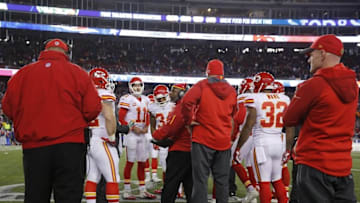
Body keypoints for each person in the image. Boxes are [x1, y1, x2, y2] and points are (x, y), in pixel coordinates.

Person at [1, 38, 102, 203]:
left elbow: (8, 108)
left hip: (34, 147)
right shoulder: (78, 73)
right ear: (66, 53)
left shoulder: (22, 74)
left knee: (36, 196)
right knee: (69, 196)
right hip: (70, 145)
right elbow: (92, 108)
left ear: (44, 51)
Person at [283, 34, 358, 203]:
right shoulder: (352, 84)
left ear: (323, 54)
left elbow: (288, 119)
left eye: (312, 54)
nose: (309, 59)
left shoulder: (312, 85)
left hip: (314, 164)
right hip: (343, 165)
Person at [181, 59, 237, 203]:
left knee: (200, 180)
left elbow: (186, 101)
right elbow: (235, 114)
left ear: (207, 72)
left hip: (202, 138)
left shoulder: (202, 85)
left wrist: (189, 120)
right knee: (222, 182)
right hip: (223, 140)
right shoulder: (231, 90)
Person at [234, 72, 291, 203]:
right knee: (277, 180)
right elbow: (289, 126)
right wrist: (288, 149)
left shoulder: (255, 98)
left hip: (262, 144)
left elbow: (248, 125)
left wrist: (238, 147)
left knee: (264, 182)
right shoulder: (284, 99)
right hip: (278, 143)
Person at [84, 67, 122, 203]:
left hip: (90, 139)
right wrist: (112, 137)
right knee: (113, 177)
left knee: (93, 176)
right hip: (102, 139)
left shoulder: (87, 94)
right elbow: (109, 116)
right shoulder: (105, 94)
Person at [152, 83, 192, 203]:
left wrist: (156, 136)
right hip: (191, 150)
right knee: (190, 187)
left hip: (180, 152)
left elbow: (170, 128)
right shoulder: (190, 106)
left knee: (170, 186)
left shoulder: (181, 107)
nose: (171, 93)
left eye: (174, 90)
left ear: (182, 93)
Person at [118, 76, 156, 200]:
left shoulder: (146, 100)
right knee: (130, 162)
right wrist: (134, 128)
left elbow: (149, 116)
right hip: (132, 134)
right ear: (130, 87)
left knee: (142, 162)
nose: (137, 87)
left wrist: (146, 128)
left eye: (139, 85)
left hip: (143, 134)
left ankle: (142, 190)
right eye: (134, 85)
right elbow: (121, 117)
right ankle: (127, 191)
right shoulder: (127, 99)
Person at [148, 85, 175, 188]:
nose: (162, 100)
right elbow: (152, 124)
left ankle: (179, 189)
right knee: (164, 166)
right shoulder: (153, 107)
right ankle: (166, 187)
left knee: (176, 166)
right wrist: (155, 138)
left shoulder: (174, 106)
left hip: (172, 139)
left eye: (163, 97)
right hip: (162, 139)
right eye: (159, 98)